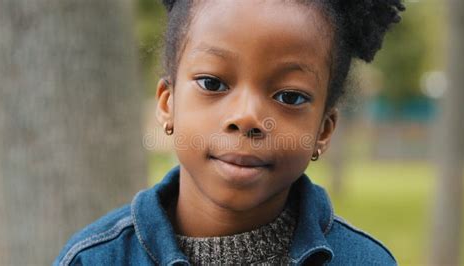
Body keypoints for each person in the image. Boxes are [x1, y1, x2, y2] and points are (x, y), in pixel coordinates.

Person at [54, 0, 404, 265]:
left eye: (290, 96)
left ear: (323, 130)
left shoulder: (365, 260)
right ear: (167, 104)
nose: (246, 117)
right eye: (213, 83)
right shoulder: (96, 259)